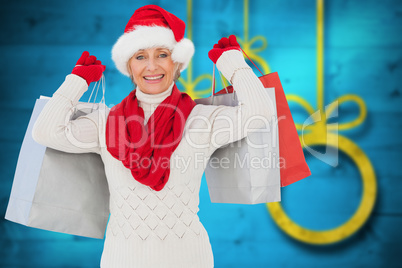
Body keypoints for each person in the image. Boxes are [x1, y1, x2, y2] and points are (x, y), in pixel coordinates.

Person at [32, 4, 275, 268]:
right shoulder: (105, 122)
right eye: (139, 56)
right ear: (128, 65)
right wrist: (77, 80)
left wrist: (234, 64)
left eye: (162, 54)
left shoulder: (201, 119)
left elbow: (260, 112)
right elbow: (45, 131)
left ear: (177, 61)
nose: (151, 66)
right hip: (121, 259)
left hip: (189, 258)